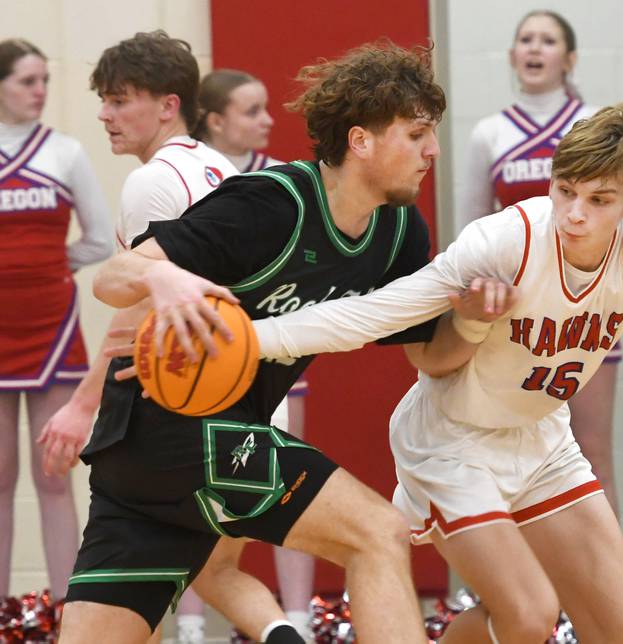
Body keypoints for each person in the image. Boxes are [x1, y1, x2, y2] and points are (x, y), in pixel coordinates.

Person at [202, 102, 623, 643]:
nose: (575, 214)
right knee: (527, 615)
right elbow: (375, 313)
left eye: (599, 200)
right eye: (565, 191)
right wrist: (250, 339)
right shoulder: (504, 240)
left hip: (543, 442)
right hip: (453, 443)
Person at [61, 40, 446, 644]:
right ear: (361, 139)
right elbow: (112, 278)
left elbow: (431, 353)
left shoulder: (398, 232)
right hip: (176, 429)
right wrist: (160, 276)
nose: (433, 150)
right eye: (417, 134)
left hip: (152, 459)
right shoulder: (270, 203)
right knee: (379, 533)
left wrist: (481, 312)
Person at [35, 32, 301, 644]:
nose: (105, 114)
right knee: (213, 570)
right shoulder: (218, 167)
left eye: (120, 99)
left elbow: (135, 317)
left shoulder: (151, 182)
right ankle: (285, 632)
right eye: (103, 99)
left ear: (167, 104)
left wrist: (80, 406)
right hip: (253, 392)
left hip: (192, 405)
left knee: (127, 572)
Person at [458, 9, 622, 513]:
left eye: (547, 40)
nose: (534, 48)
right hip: (515, 317)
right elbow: (471, 232)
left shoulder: (600, 127)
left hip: (587, 309)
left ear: (569, 58)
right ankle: (523, 592)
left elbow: (622, 222)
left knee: (592, 449)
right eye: (525, 39)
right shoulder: (489, 133)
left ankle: (601, 589)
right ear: (512, 56)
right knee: (508, 454)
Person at [192, 68, 315, 639]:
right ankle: (191, 624)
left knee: (293, 486)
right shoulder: (188, 179)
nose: (268, 120)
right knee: (203, 499)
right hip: (208, 366)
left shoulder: (286, 184)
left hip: (279, 354)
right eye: (252, 110)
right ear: (214, 120)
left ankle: (301, 617)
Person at [0, 38, 113, 600]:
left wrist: (46, 265)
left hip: (52, 326)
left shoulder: (64, 152)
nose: (40, 91)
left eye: (45, 79)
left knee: (54, 474)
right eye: (27, 81)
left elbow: (99, 237)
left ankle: (67, 615)